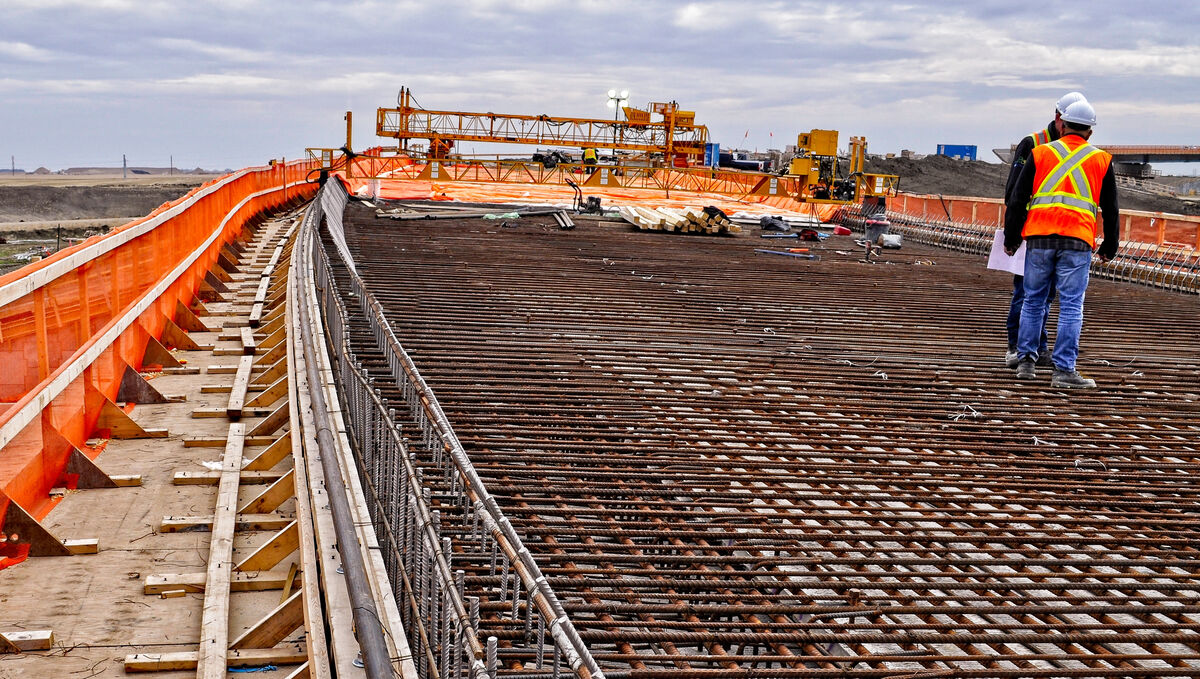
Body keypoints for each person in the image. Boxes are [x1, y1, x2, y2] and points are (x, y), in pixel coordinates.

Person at [1004, 99, 1119, 389]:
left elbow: (1018, 199)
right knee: (1070, 305)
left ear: (1062, 124)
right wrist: (1110, 246)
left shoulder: (1040, 153)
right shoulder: (1101, 160)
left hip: (1040, 237)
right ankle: (1064, 370)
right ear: (1090, 132)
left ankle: (1026, 363)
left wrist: (1011, 238)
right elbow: (1111, 207)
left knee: (1033, 300)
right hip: (1077, 240)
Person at [1001, 91, 1086, 368]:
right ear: (1059, 117)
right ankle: (1017, 348)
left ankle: (1038, 348)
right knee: (1026, 294)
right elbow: (1014, 192)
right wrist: (1014, 233)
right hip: (1032, 231)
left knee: (1044, 296)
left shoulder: (1074, 147)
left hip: (1058, 233)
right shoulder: (1034, 143)